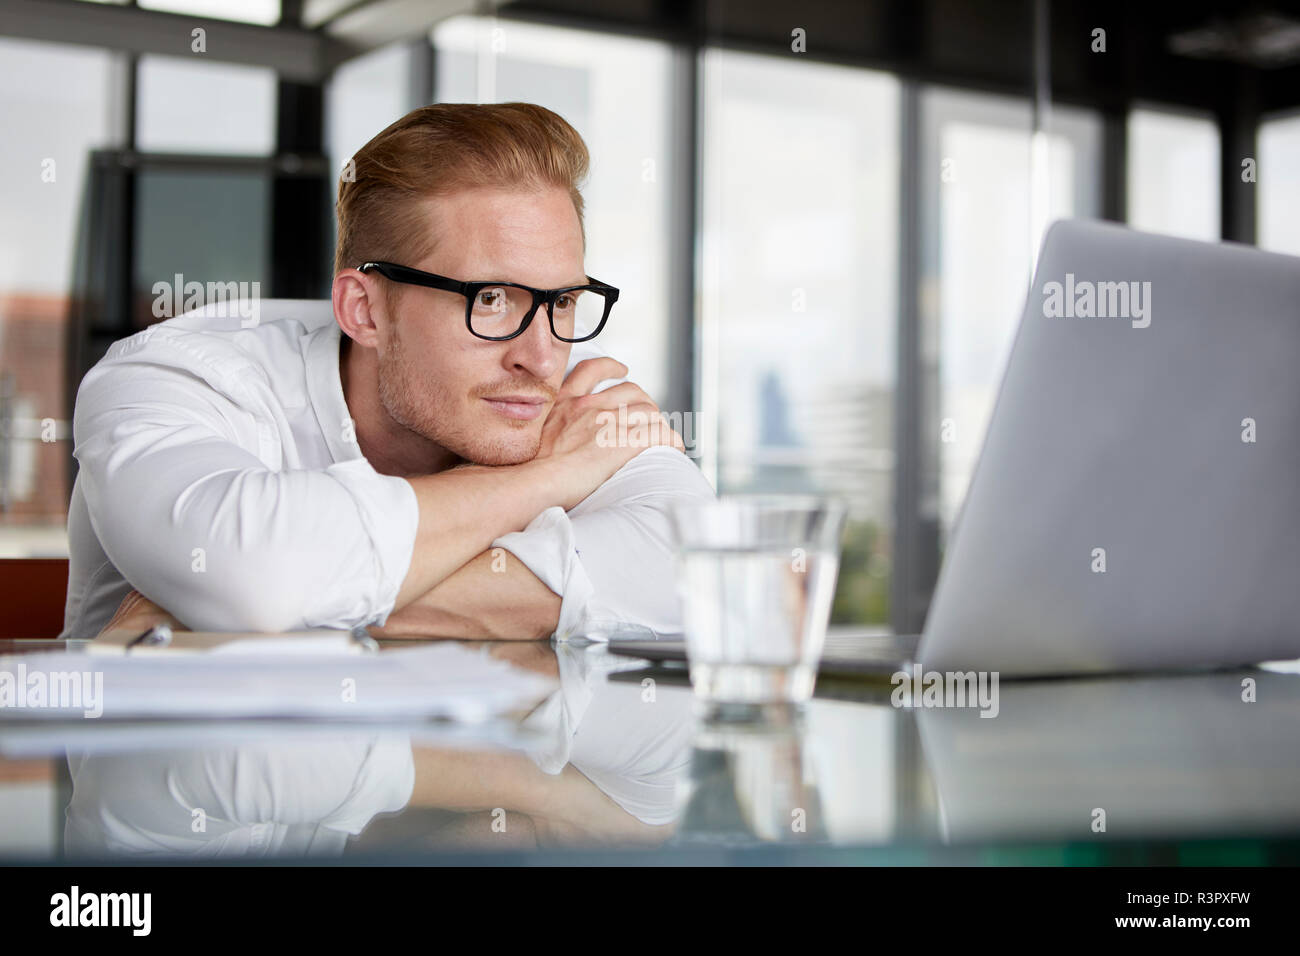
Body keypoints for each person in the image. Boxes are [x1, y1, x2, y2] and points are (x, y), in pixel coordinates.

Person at [60, 102, 714, 641]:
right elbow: (256, 577)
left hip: (460, 783)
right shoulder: (178, 374)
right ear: (364, 310)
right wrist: (551, 478)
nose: (540, 358)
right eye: (490, 299)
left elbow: (698, 575)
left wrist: (249, 615)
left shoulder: (572, 405)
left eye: (562, 302)